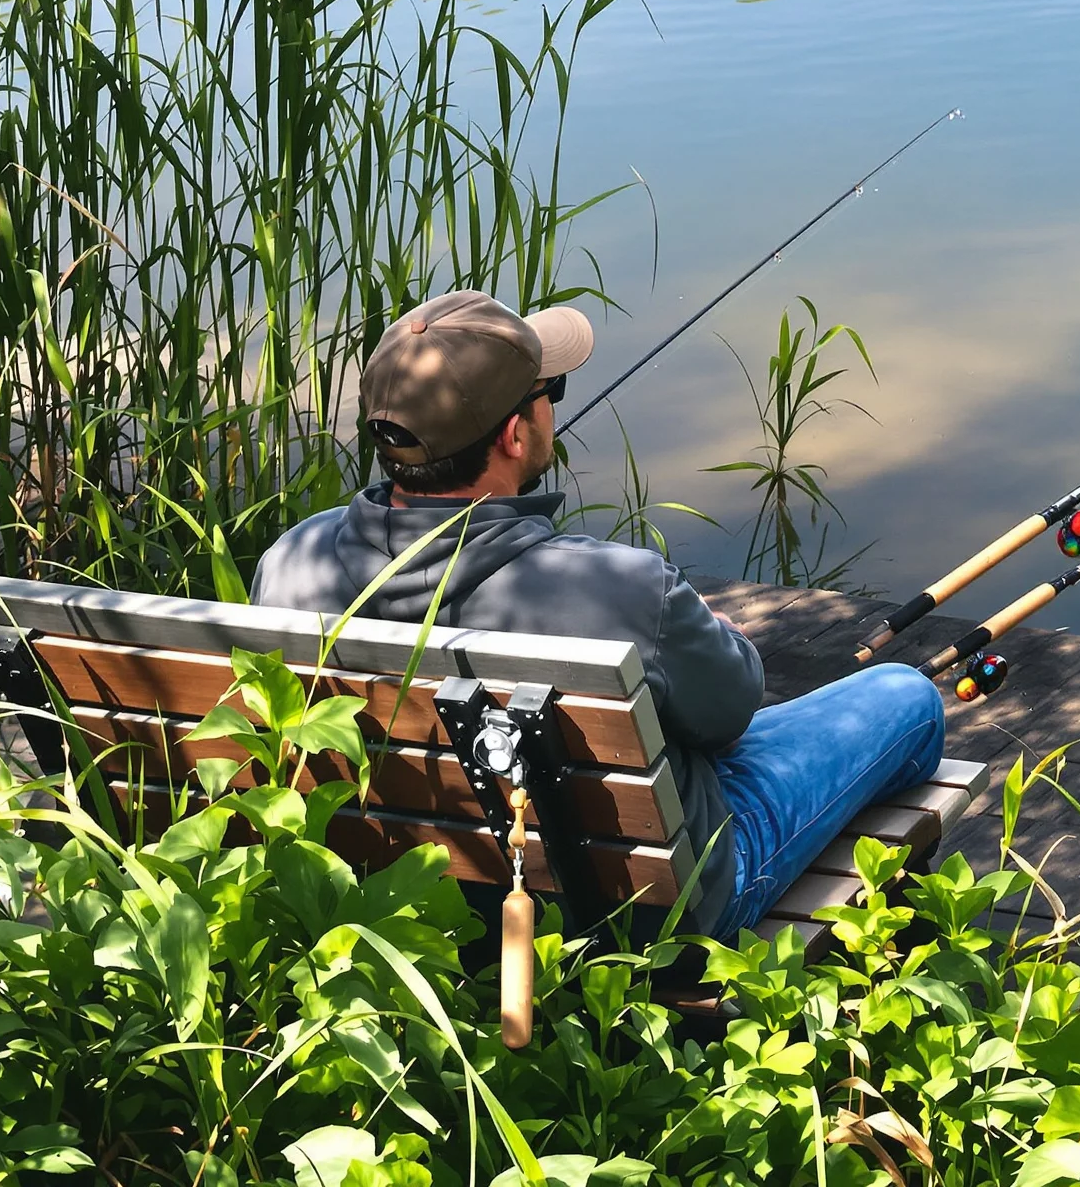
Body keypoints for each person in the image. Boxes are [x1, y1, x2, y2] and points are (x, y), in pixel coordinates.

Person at [251, 289, 946, 938]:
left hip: (400, 895)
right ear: (515, 437)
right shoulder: (616, 586)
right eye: (548, 392)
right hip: (651, 909)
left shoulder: (290, 560)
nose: (554, 404)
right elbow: (730, 713)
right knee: (905, 697)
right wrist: (714, 635)